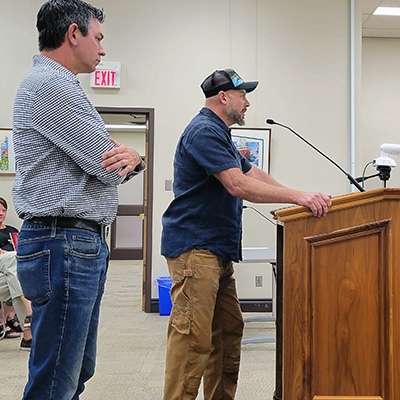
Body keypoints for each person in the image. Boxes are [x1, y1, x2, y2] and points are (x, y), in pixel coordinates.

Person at [161, 68, 332, 400]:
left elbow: (252, 172)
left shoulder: (219, 133)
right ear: (224, 97)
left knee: (227, 333)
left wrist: (297, 199)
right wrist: (298, 198)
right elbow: (237, 184)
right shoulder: (203, 132)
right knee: (194, 340)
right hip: (196, 249)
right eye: (243, 96)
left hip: (217, 251)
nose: (248, 102)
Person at [12, 1, 145, 399]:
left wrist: (130, 158)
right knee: (57, 377)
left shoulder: (56, 84)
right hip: (63, 242)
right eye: (98, 38)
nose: (102, 50)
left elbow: (105, 158)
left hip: (70, 243)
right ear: (74, 34)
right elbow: (108, 164)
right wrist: (135, 159)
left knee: (74, 368)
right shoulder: (52, 86)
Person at [0, 197, 32, 349]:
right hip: (8, 262)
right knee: (12, 259)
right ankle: (32, 315)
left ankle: (28, 337)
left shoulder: (12, 230)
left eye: (3, 210)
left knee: (15, 280)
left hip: (10, 271)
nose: (1, 213)